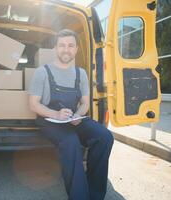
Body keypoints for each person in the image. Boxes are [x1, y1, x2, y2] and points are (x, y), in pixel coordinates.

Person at [28, 29, 114, 200]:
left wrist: (77, 115)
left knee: (105, 136)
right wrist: (56, 114)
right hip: (49, 120)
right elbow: (33, 104)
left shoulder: (81, 73)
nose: (66, 49)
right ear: (55, 49)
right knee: (71, 141)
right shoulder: (42, 72)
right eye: (62, 45)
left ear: (76, 50)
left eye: (70, 45)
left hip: (73, 118)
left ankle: (95, 194)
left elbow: (85, 103)